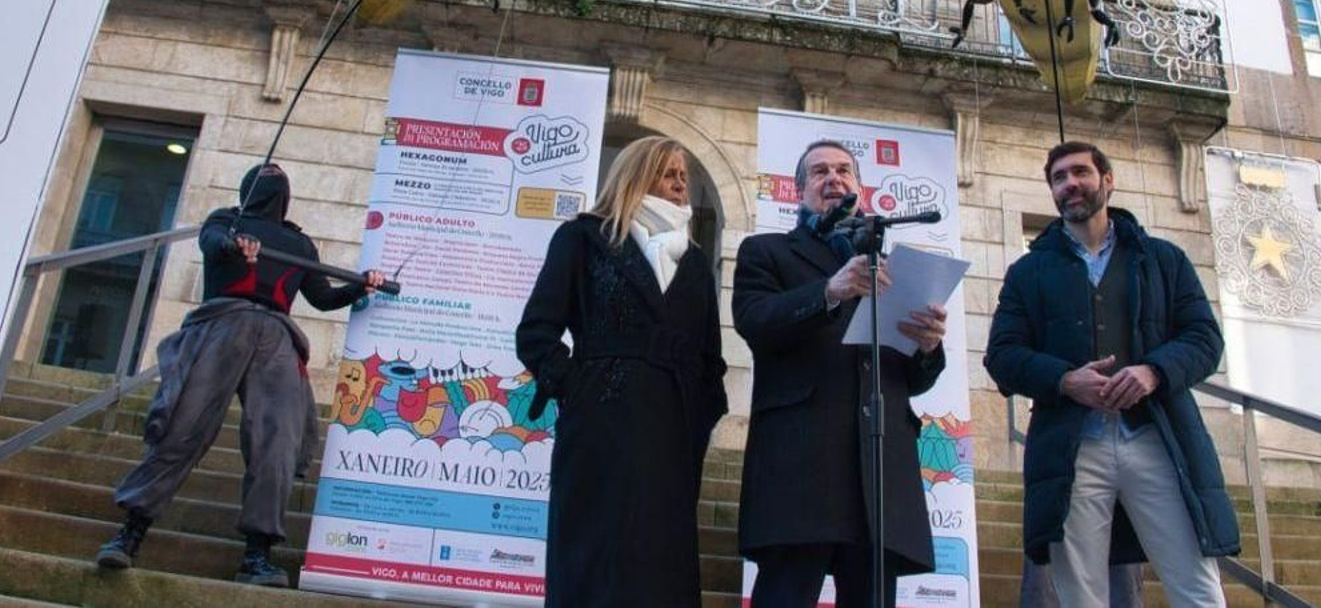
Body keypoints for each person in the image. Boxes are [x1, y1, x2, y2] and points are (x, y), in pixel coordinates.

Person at [95, 163, 384, 587]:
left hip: (277, 339)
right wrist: (236, 244)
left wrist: (361, 286)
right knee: (182, 427)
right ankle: (129, 534)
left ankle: (258, 555)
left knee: (277, 441)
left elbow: (321, 298)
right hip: (220, 326)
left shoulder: (300, 244)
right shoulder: (225, 221)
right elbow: (213, 244)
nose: (273, 180)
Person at [985, 141, 1239, 608]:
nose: (1070, 184)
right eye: (1059, 178)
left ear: (1107, 179)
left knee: (1197, 586)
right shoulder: (1027, 272)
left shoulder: (1164, 259)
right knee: (1080, 593)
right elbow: (1001, 356)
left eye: (1080, 172)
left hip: (1158, 438)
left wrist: (1153, 371)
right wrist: (1065, 380)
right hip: (1072, 448)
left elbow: (1205, 339)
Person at [732, 139, 948, 608]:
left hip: (879, 464)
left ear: (859, 186)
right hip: (800, 461)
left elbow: (912, 378)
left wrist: (929, 346)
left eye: (844, 171)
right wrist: (828, 291)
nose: (833, 178)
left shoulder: (889, 268)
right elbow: (754, 321)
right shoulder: (766, 251)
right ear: (799, 191)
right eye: (820, 172)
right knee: (785, 596)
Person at [515, 136, 728, 608]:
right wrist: (580, 388)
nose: (679, 185)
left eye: (683, 176)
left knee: (661, 566)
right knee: (594, 555)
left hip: (672, 433)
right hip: (600, 425)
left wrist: (698, 417)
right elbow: (536, 332)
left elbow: (710, 358)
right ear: (636, 175)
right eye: (667, 173)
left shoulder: (693, 262)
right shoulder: (583, 238)